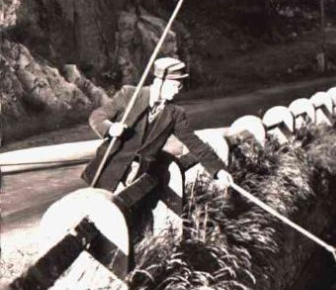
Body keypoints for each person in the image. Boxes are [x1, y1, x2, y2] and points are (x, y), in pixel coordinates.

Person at [81, 56, 233, 193]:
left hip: (138, 179)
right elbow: (97, 116)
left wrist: (218, 170)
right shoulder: (130, 95)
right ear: (159, 81)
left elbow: (194, 143)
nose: (177, 91)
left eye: (180, 86)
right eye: (174, 85)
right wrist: (110, 128)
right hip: (108, 169)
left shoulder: (175, 113)